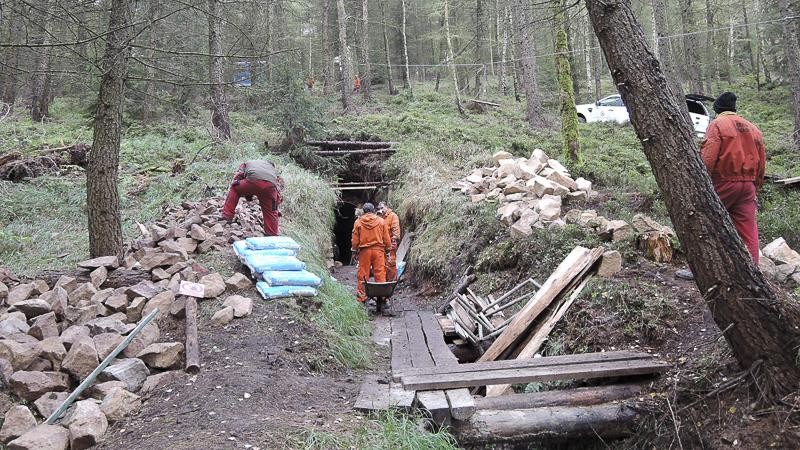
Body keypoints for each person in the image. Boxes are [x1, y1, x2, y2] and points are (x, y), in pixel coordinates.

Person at [676, 92, 766, 280]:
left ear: (717, 110)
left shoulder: (717, 125)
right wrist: (755, 185)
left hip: (724, 181)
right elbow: (761, 162)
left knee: (704, 222)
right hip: (748, 185)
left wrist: (702, 181)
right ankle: (752, 272)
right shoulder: (753, 128)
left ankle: (698, 270)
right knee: (748, 229)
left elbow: (709, 156)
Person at [222, 160, 283, 236]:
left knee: (235, 188)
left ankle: (227, 216)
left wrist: (244, 190)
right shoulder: (272, 170)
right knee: (271, 210)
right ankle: (271, 233)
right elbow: (277, 189)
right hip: (270, 187)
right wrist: (276, 206)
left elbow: (238, 176)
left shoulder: (246, 164)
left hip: (252, 181)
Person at [351, 203, 392, 303]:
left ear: (364, 211)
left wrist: (354, 251)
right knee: (380, 273)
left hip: (364, 252)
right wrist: (388, 250)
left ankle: (362, 298)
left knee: (363, 275)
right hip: (378, 251)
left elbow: (355, 239)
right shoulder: (381, 221)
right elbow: (386, 237)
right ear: (373, 210)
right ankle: (382, 297)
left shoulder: (358, 222)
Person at [377, 202, 401, 281]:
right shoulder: (379, 217)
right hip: (381, 244)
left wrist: (394, 240)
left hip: (390, 243)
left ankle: (392, 282)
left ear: (386, 207)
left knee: (391, 262)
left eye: (382, 208)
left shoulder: (392, 216)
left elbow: (396, 229)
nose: (380, 210)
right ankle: (384, 281)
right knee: (381, 263)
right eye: (379, 208)